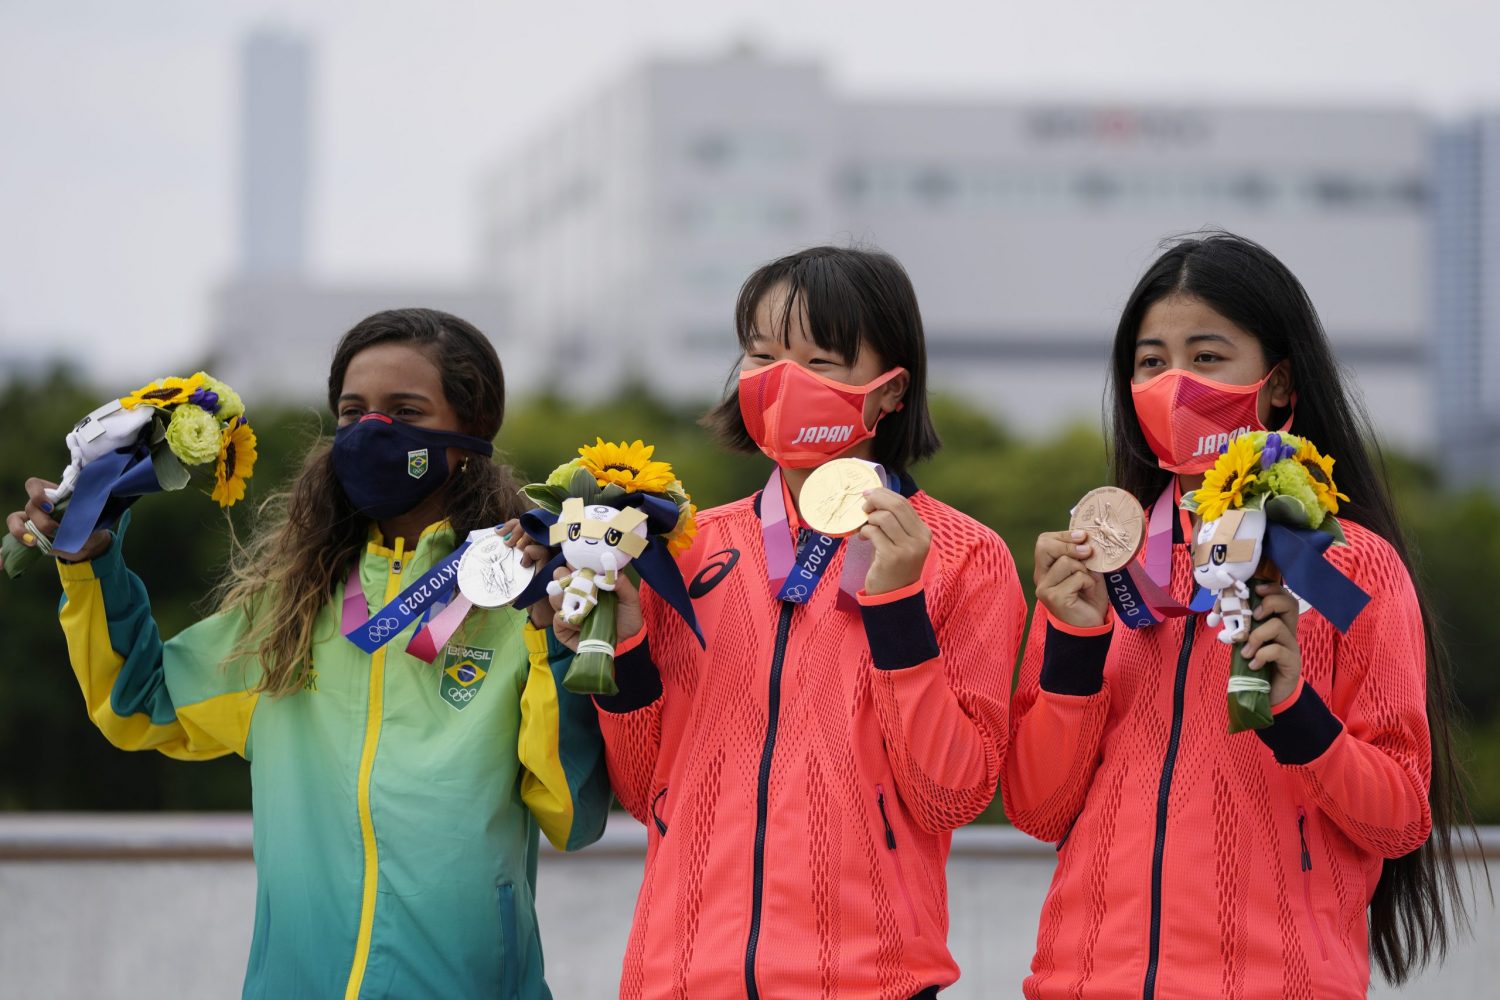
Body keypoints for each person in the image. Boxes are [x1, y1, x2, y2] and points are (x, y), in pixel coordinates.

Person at [4, 308, 610, 999]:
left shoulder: (525, 603)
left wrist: (551, 641)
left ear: (469, 434)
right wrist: (91, 561)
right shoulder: (290, 609)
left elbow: (572, 812)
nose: (373, 430)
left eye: (405, 409)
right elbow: (140, 702)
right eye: (353, 413)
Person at [1005, 233, 1475, 999]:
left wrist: (1296, 712)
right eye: (1152, 362)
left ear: (1279, 383)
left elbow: (1397, 821)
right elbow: (1038, 809)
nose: (1175, 384)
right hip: (1082, 982)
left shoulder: (1341, 568)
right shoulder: (1102, 562)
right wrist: (1073, 646)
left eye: (1208, 356)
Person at [548, 246, 1025, 998]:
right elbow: (647, 790)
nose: (782, 380)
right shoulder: (687, 548)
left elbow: (952, 796)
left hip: (872, 981)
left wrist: (897, 609)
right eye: (761, 354)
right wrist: (626, 649)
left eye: (822, 360)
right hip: (679, 976)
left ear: (890, 391)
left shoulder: (965, 557)